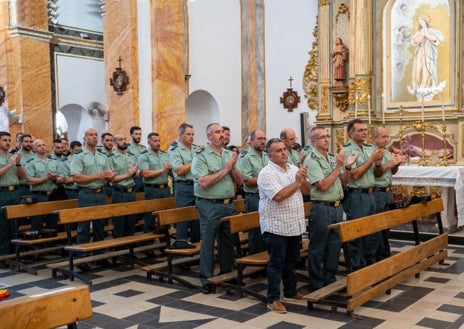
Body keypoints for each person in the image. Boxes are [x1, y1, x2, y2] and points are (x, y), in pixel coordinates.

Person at [258, 138, 310, 313]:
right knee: (277, 263)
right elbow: (278, 196)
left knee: (291, 262)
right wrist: (296, 182)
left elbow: (307, 191)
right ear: (270, 154)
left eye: (284, 149)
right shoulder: (266, 173)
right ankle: (272, 299)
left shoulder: (293, 169)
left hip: (294, 224)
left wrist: (303, 178)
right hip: (276, 225)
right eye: (279, 150)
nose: (284, 152)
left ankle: (290, 291)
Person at [191, 123, 243, 294]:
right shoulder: (201, 155)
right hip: (209, 204)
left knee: (227, 241)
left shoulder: (229, 154)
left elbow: (240, 180)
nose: (222, 135)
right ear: (209, 137)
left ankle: (227, 274)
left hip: (228, 204)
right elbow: (204, 182)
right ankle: (206, 278)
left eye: (222, 132)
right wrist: (226, 168)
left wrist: (233, 167)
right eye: (217, 132)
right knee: (208, 242)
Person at [304, 126, 357, 291]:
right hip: (322, 207)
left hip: (336, 206)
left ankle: (329, 276)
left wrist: (347, 167)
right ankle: (316, 280)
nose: (327, 139)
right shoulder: (311, 160)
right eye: (322, 137)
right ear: (313, 141)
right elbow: (323, 186)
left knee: (334, 245)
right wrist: (338, 168)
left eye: (327, 136)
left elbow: (344, 182)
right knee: (318, 246)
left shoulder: (333, 158)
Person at [341, 119, 384, 270]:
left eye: (365, 130)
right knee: (358, 232)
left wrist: (378, 164)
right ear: (351, 133)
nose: (364, 133)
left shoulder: (368, 148)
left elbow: (378, 174)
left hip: (371, 194)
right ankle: (358, 267)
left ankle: (371, 265)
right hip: (356, 196)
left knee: (372, 232)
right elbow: (354, 175)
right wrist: (372, 159)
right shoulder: (346, 150)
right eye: (360, 130)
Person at [71, 128, 116, 271]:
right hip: (86, 193)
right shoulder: (79, 156)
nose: (94, 137)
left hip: (101, 193)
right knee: (84, 227)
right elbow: (76, 177)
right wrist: (98, 176)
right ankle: (81, 258)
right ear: (84, 138)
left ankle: (99, 255)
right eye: (91, 135)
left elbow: (107, 174)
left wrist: (110, 175)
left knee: (99, 226)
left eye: (96, 135)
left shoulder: (102, 155)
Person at [372, 126, 406, 260]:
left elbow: (392, 172)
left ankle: (384, 251)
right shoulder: (373, 152)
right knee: (379, 225)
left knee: (387, 224)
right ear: (375, 138)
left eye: (387, 137)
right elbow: (377, 173)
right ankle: (379, 254)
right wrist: (390, 164)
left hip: (387, 191)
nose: (387, 139)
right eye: (383, 137)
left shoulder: (386, 151)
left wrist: (396, 164)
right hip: (378, 191)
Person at [237, 130, 268, 254]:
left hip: (267, 197)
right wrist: (267, 178)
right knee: (256, 231)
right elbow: (247, 181)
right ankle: (255, 260)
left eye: (264, 139)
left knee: (268, 230)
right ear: (251, 141)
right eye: (260, 138)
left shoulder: (266, 155)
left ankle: (267, 258)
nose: (262, 141)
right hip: (254, 197)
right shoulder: (245, 157)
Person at [168, 123, 199, 243]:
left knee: (197, 218)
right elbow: (179, 170)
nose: (191, 137)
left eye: (193, 134)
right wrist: (195, 162)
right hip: (183, 186)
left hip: (196, 185)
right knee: (183, 218)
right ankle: (180, 248)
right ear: (180, 135)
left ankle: (197, 245)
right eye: (188, 134)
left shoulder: (196, 149)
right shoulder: (175, 149)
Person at [137, 132, 171, 236]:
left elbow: (169, 172)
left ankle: (165, 243)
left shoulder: (164, 155)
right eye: (155, 141)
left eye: (159, 141)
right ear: (149, 142)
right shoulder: (143, 156)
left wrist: (171, 170)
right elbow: (146, 173)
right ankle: (147, 246)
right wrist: (162, 170)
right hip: (152, 189)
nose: (158, 143)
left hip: (165, 189)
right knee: (150, 218)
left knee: (166, 219)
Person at [0, 132, 25, 261]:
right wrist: (10, 164)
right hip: (2, 192)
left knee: (14, 224)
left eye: (9, 140)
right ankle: (3, 254)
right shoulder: (9, 159)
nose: (8, 142)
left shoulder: (13, 156)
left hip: (15, 191)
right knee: (2, 225)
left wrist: (18, 164)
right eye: (4, 140)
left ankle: (14, 252)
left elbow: (23, 176)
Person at [25, 139, 60, 231]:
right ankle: (37, 245)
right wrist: (46, 178)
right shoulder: (31, 163)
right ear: (34, 148)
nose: (42, 147)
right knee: (37, 222)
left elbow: (60, 178)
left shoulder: (53, 161)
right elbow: (29, 181)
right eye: (39, 145)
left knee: (53, 221)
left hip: (53, 195)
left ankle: (51, 244)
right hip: (39, 195)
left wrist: (55, 178)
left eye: (43, 144)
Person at [108, 134, 138, 238]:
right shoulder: (111, 158)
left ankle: (130, 248)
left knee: (131, 221)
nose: (124, 141)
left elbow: (137, 174)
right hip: (119, 192)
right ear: (115, 143)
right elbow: (112, 179)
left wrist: (135, 172)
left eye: (125, 139)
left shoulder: (131, 156)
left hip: (132, 192)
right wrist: (128, 174)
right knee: (119, 222)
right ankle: (118, 249)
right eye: (121, 140)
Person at [410, 13, 444, 94]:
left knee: (427, 68)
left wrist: (427, 36)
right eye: (419, 22)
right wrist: (422, 36)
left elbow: (437, 39)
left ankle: (427, 86)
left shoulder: (432, 30)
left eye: (422, 22)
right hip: (420, 53)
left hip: (429, 53)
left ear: (426, 22)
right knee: (418, 69)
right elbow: (414, 41)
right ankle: (419, 86)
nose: (421, 23)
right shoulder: (419, 31)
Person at [128, 126, 147, 192]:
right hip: (133, 178)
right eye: (136, 134)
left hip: (144, 177)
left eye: (140, 134)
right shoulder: (127, 148)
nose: (138, 136)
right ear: (131, 134)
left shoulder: (144, 148)